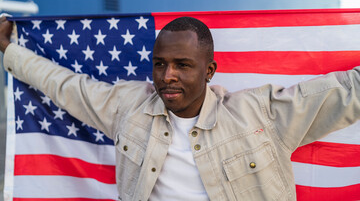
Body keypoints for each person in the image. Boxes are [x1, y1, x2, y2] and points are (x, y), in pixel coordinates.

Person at [0, 15, 359, 201]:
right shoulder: (129, 108)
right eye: (160, 64)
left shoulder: (260, 113)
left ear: (209, 70)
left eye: (183, 65)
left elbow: (347, 91)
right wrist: (9, 51)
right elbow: (66, 87)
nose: (167, 76)